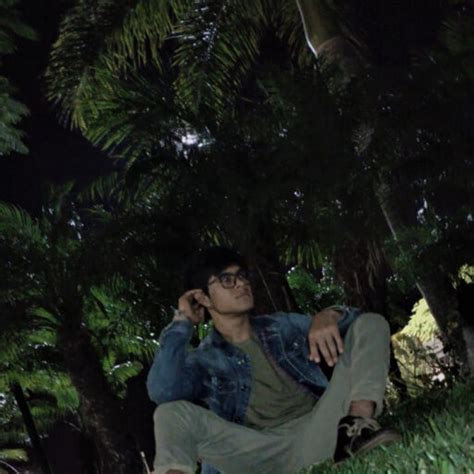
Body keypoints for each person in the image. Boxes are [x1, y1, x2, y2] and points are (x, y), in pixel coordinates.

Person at [147, 247, 400, 474]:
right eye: (227, 279)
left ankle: (355, 431)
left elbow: (359, 324)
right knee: (170, 413)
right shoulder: (204, 359)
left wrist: (329, 315)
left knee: (371, 323)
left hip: (319, 432)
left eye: (242, 276)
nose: (241, 284)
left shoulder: (282, 326)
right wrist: (181, 323)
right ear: (202, 298)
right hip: (257, 453)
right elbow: (163, 391)